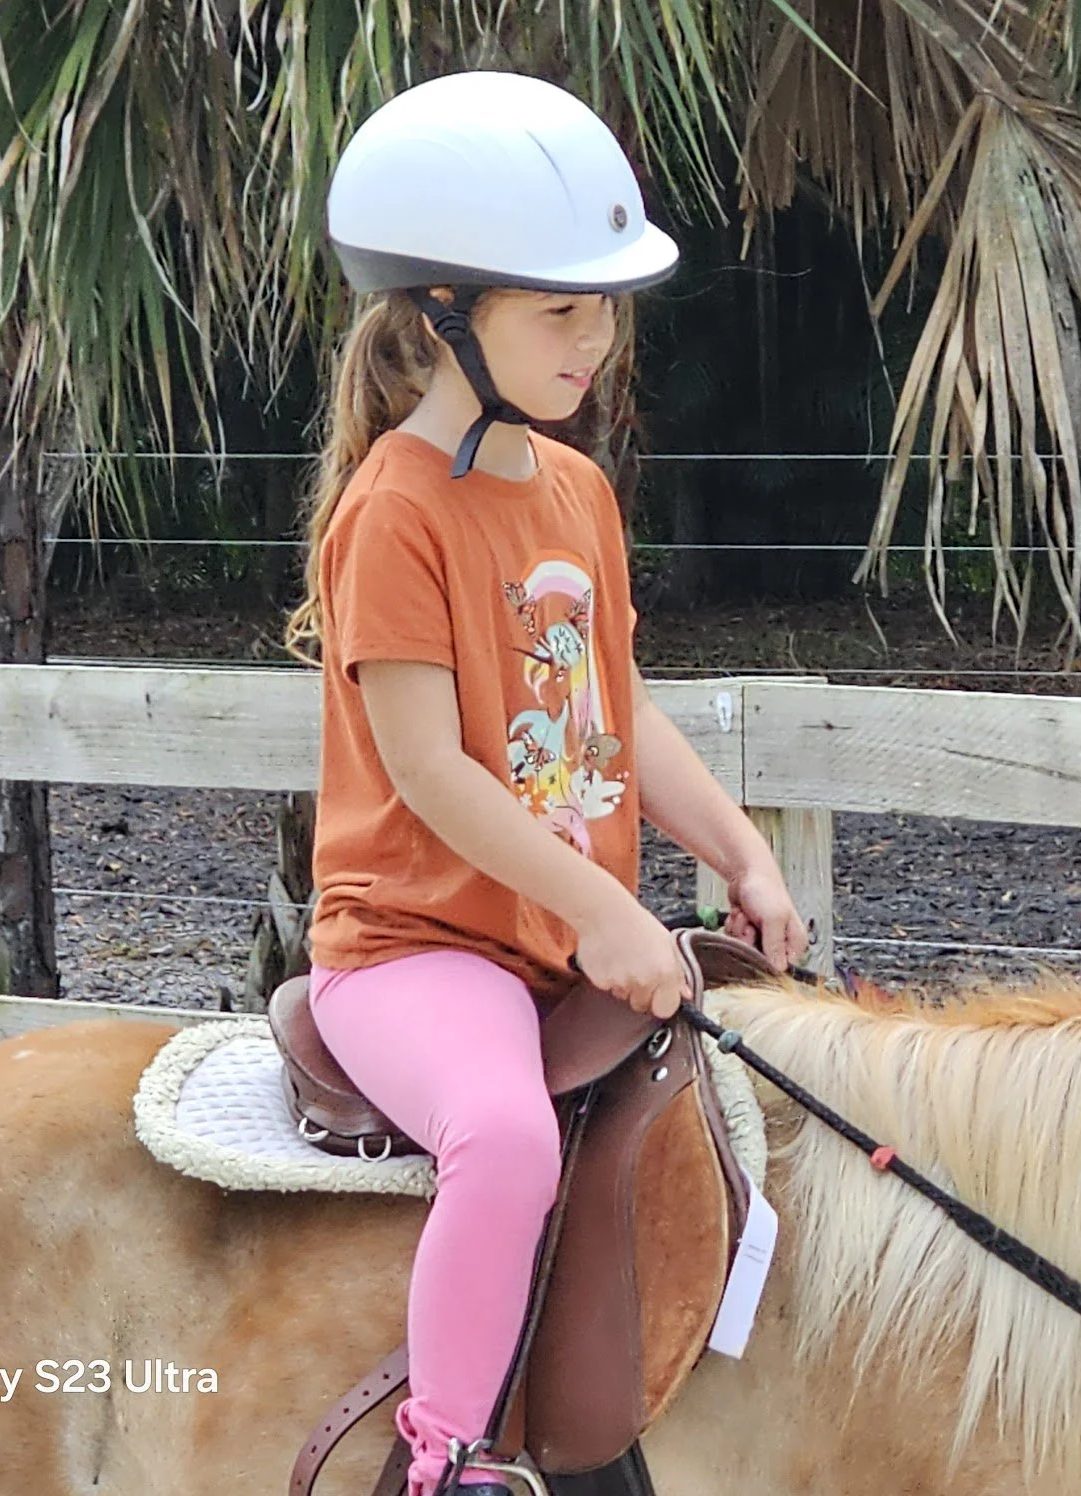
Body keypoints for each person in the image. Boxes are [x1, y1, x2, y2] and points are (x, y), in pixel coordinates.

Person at [284, 70, 810, 1496]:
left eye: (604, 309)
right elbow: (433, 775)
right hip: (419, 945)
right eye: (560, 311)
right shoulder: (391, 511)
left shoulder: (572, 492)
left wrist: (740, 858)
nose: (596, 341)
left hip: (556, 935)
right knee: (508, 1140)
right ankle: (445, 1457)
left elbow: (613, 713)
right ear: (443, 311)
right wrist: (605, 914)